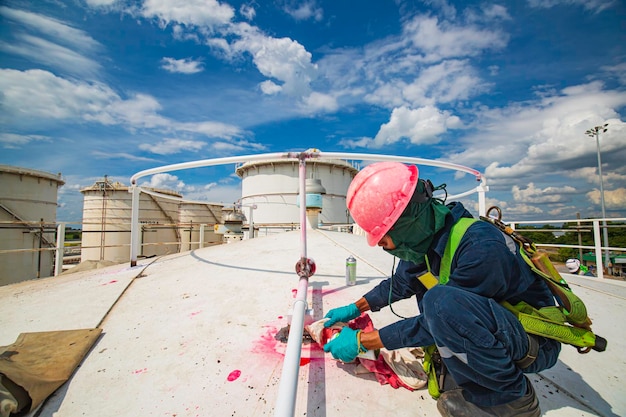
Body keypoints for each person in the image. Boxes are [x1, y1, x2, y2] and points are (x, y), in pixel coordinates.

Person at [322, 162, 561, 417]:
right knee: (445, 366)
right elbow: (401, 284)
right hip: (497, 328)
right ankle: (485, 381)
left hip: (533, 339)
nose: (382, 245)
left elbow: (443, 317)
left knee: (439, 302)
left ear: (407, 220)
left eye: (383, 236)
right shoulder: (426, 242)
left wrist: (363, 341)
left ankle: (512, 402)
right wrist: (353, 308)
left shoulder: (481, 246)